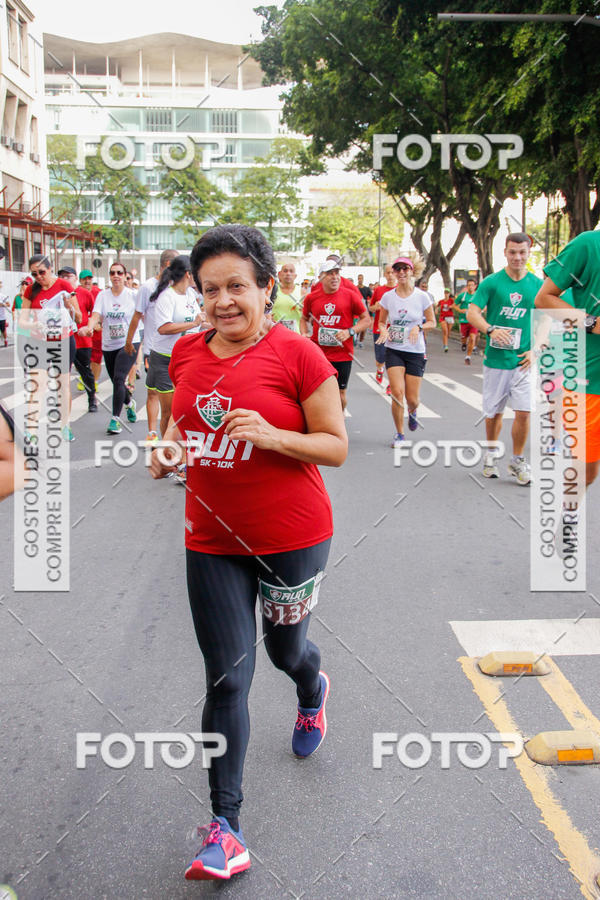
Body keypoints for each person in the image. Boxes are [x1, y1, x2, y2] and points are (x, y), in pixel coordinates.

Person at [149, 224, 347, 881]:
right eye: (210, 290)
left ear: (266, 287)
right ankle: (226, 829)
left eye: (236, 286)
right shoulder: (188, 353)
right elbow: (183, 424)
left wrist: (272, 435)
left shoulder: (299, 355)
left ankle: (313, 686)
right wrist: (169, 449)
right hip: (211, 540)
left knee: (287, 652)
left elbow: (335, 446)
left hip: (293, 537)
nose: (223, 301)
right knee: (228, 677)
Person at [467, 233, 542, 484]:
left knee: (524, 412)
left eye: (522, 252)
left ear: (528, 252)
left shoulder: (538, 285)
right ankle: (491, 454)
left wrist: (536, 349)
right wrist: (490, 330)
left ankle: (517, 460)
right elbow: (472, 313)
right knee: (494, 413)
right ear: (505, 253)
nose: (517, 257)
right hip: (497, 361)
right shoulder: (492, 282)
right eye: (512, 252)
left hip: (523, 362)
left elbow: (547, 320)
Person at [535, 229, 600, 489]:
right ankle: (568, 513)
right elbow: (544, 299)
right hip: (591, 381)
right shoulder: (588, 244)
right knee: (586, 471)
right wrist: (590, 322)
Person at [20, 254, 82, 442]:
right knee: (37, 386)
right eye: (34, 274)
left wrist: (69, 306)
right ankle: (31, 431)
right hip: (39, 341)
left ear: (50, 268)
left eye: (42, 272)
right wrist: (34, 325)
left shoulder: (64, 286)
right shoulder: (31, 290)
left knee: (63, 386)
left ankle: (65, 426)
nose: (39, 277)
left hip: (63, 340)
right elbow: (22, 321)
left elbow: (79, 317)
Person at [146, 254, 203, 457]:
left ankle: (181, 453)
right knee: (170, 412)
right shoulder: (167, 297)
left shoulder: (190, 295)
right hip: (164, 359)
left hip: (188, 359)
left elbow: (199, 321)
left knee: (186, 411)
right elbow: (163, 328)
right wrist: (193, 324)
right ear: (188, 274)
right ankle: (168, 456)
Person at [377, 256, 436, 446]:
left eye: (405, 269)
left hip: (415, 351)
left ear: (412, 271)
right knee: (397, 392)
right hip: (394, 349)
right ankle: (399, 434)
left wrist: (419, 327)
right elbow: (381, 322)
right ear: (394, 272)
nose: (401, 272)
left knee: (412, 399)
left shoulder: (422, 296)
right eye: (398, 269)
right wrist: (384, 330)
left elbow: (432, 322)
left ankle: (413, 411)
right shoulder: (388, 297)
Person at [301, 259, 371, 412]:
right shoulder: (312, 298)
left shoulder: (350, 296)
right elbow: (304, 318)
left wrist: (350, 332)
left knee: (340, 394)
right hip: (318, 354)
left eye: (337, 273)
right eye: (329, 273)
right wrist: (304, 333)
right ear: (321, 277)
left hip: (342, 355)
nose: (334, 277)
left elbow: (366, 320)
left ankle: (338, 418)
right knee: (316, 392)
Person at [126, 249, 178, 442]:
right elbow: (137, 315)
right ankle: (152, 433)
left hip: (175, 351)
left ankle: (168, 437)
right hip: (153, 349)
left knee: (172, 400)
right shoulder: (148, 287)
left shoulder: (177, 287)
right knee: (153, 393)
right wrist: (129, 341)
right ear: (168, 265)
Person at [84, 261, 141, 434]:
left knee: (118, 378)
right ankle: (129, 404)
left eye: (119, 273)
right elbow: (96, 315)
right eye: (112, 273)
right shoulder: (103, 295)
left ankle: (115, 419)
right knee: (117, 381)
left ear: (125, 276)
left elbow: (143, 316)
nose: (116, 276)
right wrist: (89, 327)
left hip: (129, 342)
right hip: (109, 344)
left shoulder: (133, 295)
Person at [58, 266, 97, 412]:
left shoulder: (84, 293)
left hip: (81, 340)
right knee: (62, 374)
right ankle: (62, 403)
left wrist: (90, 327)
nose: (65, 279)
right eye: (62, 276)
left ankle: (92, 398)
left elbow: (94, 313)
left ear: (75, 278)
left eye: (68, 276)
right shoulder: (56, 294)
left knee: (85, 371)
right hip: (63, 339)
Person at [370, 264, 397, 384]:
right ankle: (380, 369)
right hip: (379, 328)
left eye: (392, 272)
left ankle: (392, 383)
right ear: (385, 274)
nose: (390, 275)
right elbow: (370, 308)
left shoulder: (400, 290)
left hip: (395, 329)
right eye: (388, 273)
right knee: (380, 358)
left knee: (394, 359)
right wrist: (375, 307)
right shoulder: (379, 290)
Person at [79, 270, 103, 389]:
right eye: (85, 279)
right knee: (83, 358)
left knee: (96, 358)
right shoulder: (76, 293)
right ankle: (85, 377)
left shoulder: (98, 292)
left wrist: (100, 323)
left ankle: (95, 381)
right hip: (83, 331)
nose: (87, 281)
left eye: (89, 278)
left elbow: (104, 309)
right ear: (80, 281)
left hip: (97, 331)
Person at [271, 262, 302, 332]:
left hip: (295, 334)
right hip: (276, 333)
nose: (288, 274)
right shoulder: (272, 291)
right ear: (279, 274)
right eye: (285, 271)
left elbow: (306, 317)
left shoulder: (302, 292)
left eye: (291, 271)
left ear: (295, 276)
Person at [455, 278, 479, 364]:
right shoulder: (462, 296)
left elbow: (484, 306)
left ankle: (468, 356)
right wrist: (460, 310)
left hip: (474, 321)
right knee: (463, 337)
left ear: (475, 286)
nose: (470, 287)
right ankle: (464, 343)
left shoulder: (478, 295)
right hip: (464, 320)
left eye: (472, 285)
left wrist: (481, 310)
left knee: (472, 338)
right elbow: (454, 305)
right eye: (469, 285)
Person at [356, 274, 373, 348]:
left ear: (363, 279)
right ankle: (355, 339)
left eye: (361, 278)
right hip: (356, 311)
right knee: (356, 326)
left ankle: (361, 341)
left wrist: (370, 303)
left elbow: (372, 297)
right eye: (359, 278)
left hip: (364, 310)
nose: (360, 280)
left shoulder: (367, 289)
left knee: (364, 327)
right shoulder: (355, 288)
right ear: (357, 279)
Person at [0, 281, 10, 347]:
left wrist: (4, 304)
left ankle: (5, 340)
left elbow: (8, 304)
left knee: (3, 330)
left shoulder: (3, 296)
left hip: (2, 316)